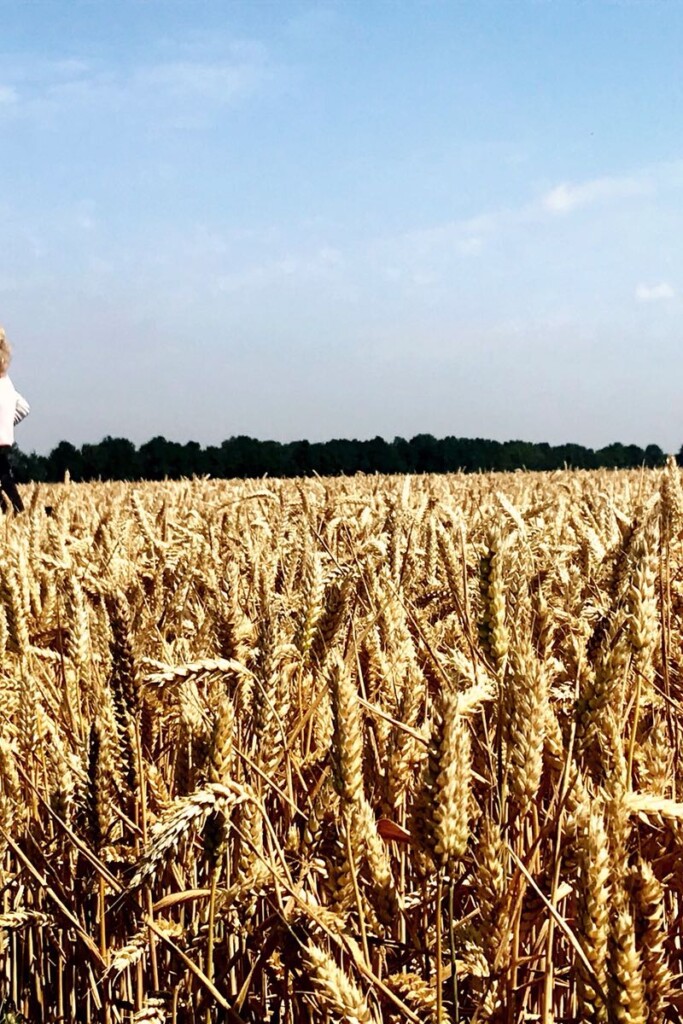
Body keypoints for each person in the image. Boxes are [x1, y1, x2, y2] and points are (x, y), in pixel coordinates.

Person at [0, 327, 30, 513]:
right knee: (5, 481)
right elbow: (24, 407)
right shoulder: (5, 379)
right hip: (3, 445)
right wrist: (5, 426)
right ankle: (18, 513)